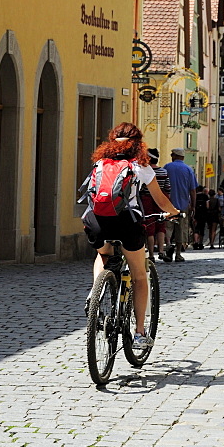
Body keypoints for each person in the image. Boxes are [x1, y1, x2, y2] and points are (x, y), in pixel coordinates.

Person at [82, 123, 179, 348]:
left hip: (97, 221)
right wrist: (173, 212)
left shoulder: (100, 163)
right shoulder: (140, 167)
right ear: (137, 143)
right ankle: (139, 333)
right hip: (127, 222)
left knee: (103, 255)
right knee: (139, 277)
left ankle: (95, 294)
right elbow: (160, 199)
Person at [164, 148, 197, 262]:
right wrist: (193, 205)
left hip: (168, 204)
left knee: (168, 227)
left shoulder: (167, 167)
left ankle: (168, 246)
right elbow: (192, 190)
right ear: (183, 157)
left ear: (174, 156)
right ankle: (178, 253)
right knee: (181, 229)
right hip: (183, 204)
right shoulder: (188, 170)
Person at [139, 148, 171, 261]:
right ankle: (161, 250)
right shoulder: (163, 172)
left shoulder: (145, 172)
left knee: (149, 226)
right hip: (160, 200)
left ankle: (151, 254)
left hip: (147, 200)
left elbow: (140, 188)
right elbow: (167, 188)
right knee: (161, 225)